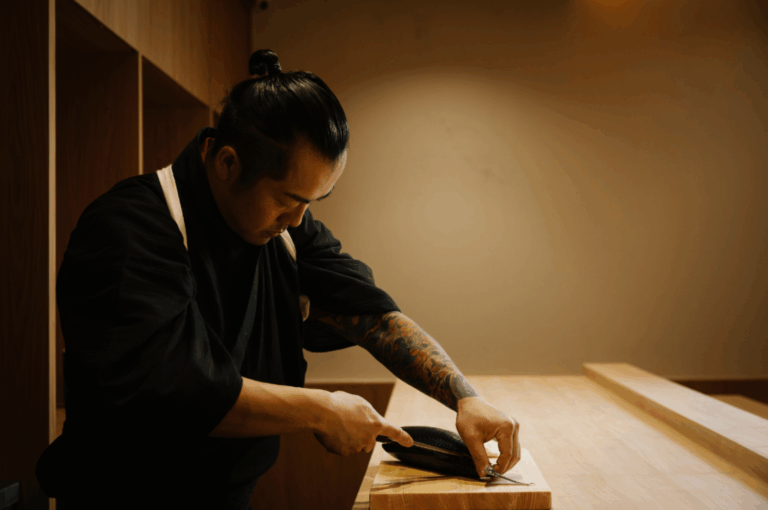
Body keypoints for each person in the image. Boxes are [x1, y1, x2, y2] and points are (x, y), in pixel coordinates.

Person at [35, 49, 520, 509]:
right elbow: (179, 391)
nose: (297, 220)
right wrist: (321, 410)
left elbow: (371, 316)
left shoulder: (283, 230)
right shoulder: (129, 230)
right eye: (288, 200)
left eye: (312, 203)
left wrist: (465, 398)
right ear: (227, 163)